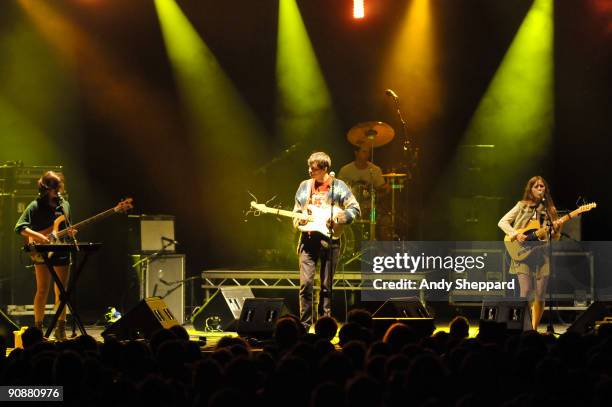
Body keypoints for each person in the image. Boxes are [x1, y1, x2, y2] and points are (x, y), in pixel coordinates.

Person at [293, 152, 360, 328]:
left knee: (326, 287)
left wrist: (338, 218)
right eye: (309, 167)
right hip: (308, 241)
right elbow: (296, 211)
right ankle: (304, 325)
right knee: (305, 285)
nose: (309, 171)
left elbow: (355, 209)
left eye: (313, 169)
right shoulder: (304, 186)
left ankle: (324, 325)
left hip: (330, 241)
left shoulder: (338, 186)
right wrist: (298, 219)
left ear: (324, 169)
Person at [14, 171, 73, 340]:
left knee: (62, 292)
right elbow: (20, 227)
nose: (59, 191)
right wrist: (41, 238)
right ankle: (38, 330)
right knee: (42, 289)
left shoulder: (65, 205)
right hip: (41, 251)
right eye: (56, 188)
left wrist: (69, 232)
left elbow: (65, 227)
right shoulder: (35, 205)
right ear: (47, 189)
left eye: (60, 188)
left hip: (61, 249)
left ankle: (60, 329)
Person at [498, 176, 562, 330]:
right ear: (530, 189)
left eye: (542, 186)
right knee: (525, 291)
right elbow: (502, 222)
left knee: (540, 294)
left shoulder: (550, 209)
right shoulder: (521, 206)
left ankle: (533, 328)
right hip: (523, 252)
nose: (540, 189)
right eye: (537, 186)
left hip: (542, 253)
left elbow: (554, 237)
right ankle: (523, 326)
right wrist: (516, 234)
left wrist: (558, 228)